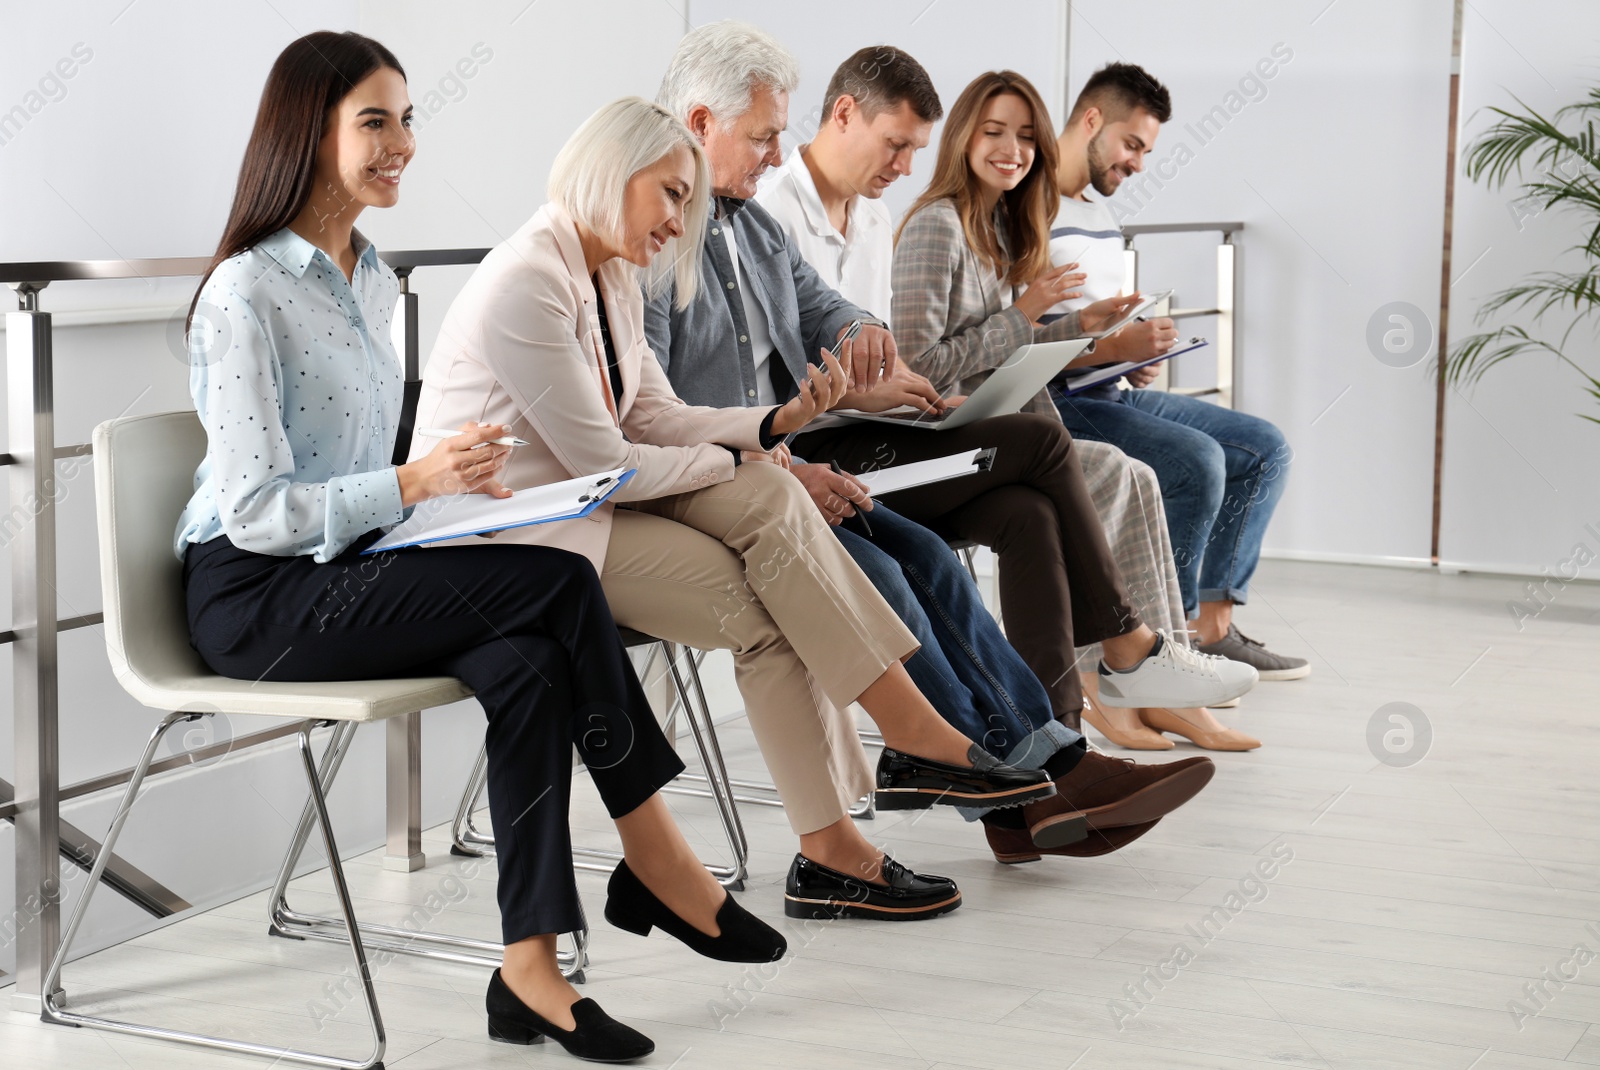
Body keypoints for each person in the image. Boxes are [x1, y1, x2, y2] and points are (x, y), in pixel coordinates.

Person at [175, 35, 791, 1064]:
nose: (402, 143)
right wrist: (415, 484)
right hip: (256, 597)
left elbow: (373, 477)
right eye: (375, 120)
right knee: (554, 580)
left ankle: (530, 972)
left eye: (409, 119)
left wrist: (444, 497)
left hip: (352, 567)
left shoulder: (368, 278)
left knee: (531, 658)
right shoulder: (247, 292)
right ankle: (655, 853)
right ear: (307, 130)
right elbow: (254, 514)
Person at [412, 94, 1056, 925]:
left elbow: (651, 416)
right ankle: (891, 774)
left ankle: (868, 807)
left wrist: (773, 427)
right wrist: (743, 453)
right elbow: (606, 462)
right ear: (613, 172)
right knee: (764, 527)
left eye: (690, 199)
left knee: (768, 509)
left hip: (587, 513)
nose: (683, 221)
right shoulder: (526, 284)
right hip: (515, 540)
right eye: (674, 194)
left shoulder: (606, 270)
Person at [646, 22, 1252, 867]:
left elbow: (832, 310)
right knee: (986, 498)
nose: (775, 151)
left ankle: (1044, 781)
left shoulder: (753, 225)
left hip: (803, 453)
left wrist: (865, 346)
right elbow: (657, 413)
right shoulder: (656, 240)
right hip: (759, 467)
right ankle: (1095, 695)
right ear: (699, 123)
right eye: (762, 136)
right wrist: (805, 436)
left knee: (1000, 523)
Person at [762, 47, 1261, 756]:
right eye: (897, 145)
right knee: (1053, 448)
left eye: (913, 149)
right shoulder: (769, 221)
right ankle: (1129, 647)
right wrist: (1003, 331)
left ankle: (1059, 742)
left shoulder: (874, 219)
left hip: (894, 427)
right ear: (844, 114)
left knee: (1028, 512)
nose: (903, 167)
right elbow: (785, 383)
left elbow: (890, 352)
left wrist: (1070, 336)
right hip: (830, 451)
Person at [1048, 62, 1308, 681]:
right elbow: (1011, 341)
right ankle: (1169, 649)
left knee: (1265, 449)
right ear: (1091, 121)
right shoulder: (1027, 206)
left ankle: (1212, 631)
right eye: (1132, 144)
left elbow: (1098, 320)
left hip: (1110, 389)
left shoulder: (1100, 211)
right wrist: (1110, 350)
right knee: (1198, 461)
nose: (1138, 163)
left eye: (1145, 150)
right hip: (1057, 400)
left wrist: (1137, 352)